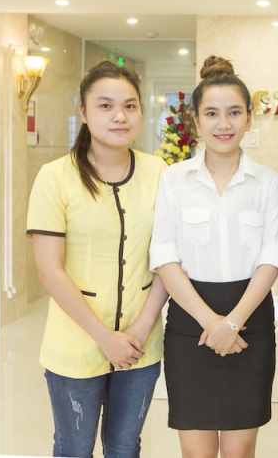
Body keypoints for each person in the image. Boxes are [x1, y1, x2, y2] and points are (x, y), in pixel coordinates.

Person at [27, 61, 168, 457]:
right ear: (84, 112)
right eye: (105, 106)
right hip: (75, 341)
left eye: (129, 105)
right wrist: (105, 338)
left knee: (125, 446)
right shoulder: (56, 177)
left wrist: (141, 328)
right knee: (74, 447)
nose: (119, 116)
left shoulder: (159, 172)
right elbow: (49, 269)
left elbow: (167, 259)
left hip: (141, 342)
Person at [150, 56, 278, 458]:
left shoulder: (267, 182)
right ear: (195, 121)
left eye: (234, 112)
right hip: (191, 325)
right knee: (197, 453)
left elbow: (271, 257)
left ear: (250, 118)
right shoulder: (174, 180)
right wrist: (212, 323)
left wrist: (233, 322)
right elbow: (164, 256)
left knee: (240, 452)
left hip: (250, 324)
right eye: (211, 113)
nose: (223, 124)